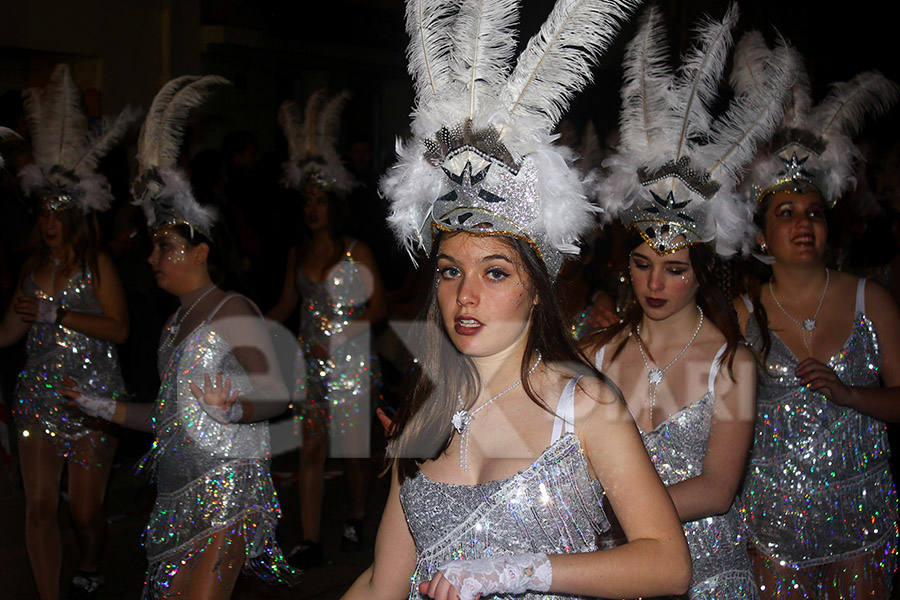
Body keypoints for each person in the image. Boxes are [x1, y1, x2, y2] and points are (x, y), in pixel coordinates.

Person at [343, 2, 693, 600]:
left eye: (496, 272)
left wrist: (524, 569)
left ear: (535, 289)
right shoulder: (427, 411)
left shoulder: (581, 403)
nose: (466, 294)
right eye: (451, 271)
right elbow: (384, 580)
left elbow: (666, 562)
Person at [583, 11, 800, 598]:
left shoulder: (734, 365)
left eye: (674, 268)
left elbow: (717, 488)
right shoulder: (597, 351)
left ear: (701, 270)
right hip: (618, 574)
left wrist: (608, 514)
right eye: (642, 263)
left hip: (707, 577)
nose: (654, 282)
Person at [64, 75, 296, 599]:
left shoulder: (233, 308)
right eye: (153, 247)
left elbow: (278, 392)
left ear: (200, 251)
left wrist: (236, 408)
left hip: (228, 486)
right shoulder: (171, 325)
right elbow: (165, 417)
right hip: (174, 495)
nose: (151, 259)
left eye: (164, 247)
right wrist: (100, 406)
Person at [734, 54, 900, 598]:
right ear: (762, 236)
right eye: (786, 213)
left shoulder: (870, 300)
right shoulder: (742, 313)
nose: (803, 222)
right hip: (773, 524)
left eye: (814, 212)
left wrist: (850, 393)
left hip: (860, 515)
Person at [0, 64, 136, 600]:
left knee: (83, 510)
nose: (49, 220)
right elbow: (10, 332)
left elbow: (121, 329)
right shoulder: (32, 268)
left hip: (92, 400)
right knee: (37, 507)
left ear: (75, 213)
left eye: (58, 210)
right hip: (37, 400)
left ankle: (92, 555)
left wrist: (60, 315)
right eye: (43, 210)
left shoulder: (96, 262)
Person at [268, 91, 387, 566]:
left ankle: (356, 516)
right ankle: (310, 537)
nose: (312, 208)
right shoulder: (297, 255)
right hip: (310, 369)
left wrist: (344, 335)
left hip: (352, 364)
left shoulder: (357, 251)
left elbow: (378, 309)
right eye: (308, 201)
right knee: (311, 450)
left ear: (334, 204)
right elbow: (284, 304)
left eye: (321, 201)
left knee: (353, 453)